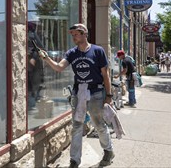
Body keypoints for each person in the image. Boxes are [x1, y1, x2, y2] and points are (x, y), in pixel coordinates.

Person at [38, 23, 114, 167]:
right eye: (72, 35)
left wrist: (108, 96)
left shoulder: (98, 51)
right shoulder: (72, 53)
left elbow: (106, 74)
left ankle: (108, 150)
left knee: (99, 125)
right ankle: (74, 160)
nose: (73, 37)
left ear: (84, 34)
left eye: (76, 34)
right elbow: (60, 67)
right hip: (79, 93)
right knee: (77, 126)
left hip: (96, 93)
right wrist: (46, 58)